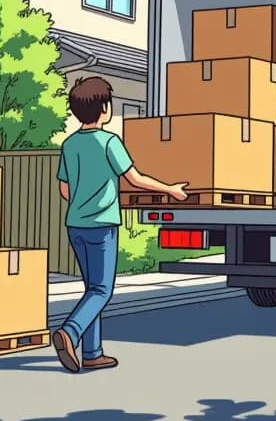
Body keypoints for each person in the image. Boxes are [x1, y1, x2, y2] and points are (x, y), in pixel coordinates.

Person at [53, 76, 188, 373]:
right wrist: (169, 190)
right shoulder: (109, 142)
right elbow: (135, 179)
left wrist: (82, 201)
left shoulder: (70, 144)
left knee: (92, 289)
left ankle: (92, 353)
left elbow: (64, 188)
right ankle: (70, 332)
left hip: (75, 225)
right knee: (102, 290)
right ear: (104, 108)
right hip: (102, 225)